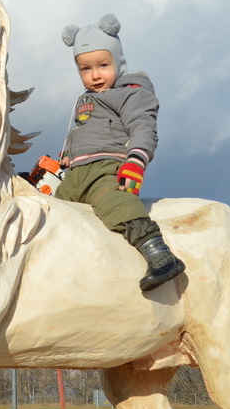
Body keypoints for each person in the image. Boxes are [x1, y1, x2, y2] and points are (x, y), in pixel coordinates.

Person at [55, 14, 186, 292]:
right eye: (85, 69)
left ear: (118, 62)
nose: (95, 75)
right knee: (52, 210)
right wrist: (67, 155)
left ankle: (158, 253)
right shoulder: (85, 100)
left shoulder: (130, 92)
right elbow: (79, 132)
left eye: (103, 65)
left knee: (114, 203)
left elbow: (143, 127)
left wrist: (135, 161)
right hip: (76, 175)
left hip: (107, 168)